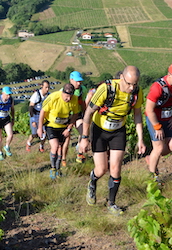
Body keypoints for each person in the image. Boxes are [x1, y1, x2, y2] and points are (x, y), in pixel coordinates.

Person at [79, 65, 146, 215]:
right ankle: (93, 181)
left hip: (118, 131)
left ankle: (111, 203)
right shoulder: (106, 89)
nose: (131, 88)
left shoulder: (136, 92)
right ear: (121, 77)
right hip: (99, 130)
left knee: (115, 168)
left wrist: (140, 139)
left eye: (135, 84)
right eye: (128, 83)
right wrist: (84, 138)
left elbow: (137, 115)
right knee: (102, 169)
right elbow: (88, 113)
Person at [144, 62, 172, 182]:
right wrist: (157, 127)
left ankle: (151, 158)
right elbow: (148, 110)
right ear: (170, 75)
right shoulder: (157, 87)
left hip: (168, 118)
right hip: (155, 118)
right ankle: (154, 177)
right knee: (158, 148)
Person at [38, 83, 81, 180]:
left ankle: (58, 169)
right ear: (62, 93)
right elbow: (42, 112)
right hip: (51, 125)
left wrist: (69, 128)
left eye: (70, 96)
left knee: (60, 148)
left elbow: (75, 114)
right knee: (55, 146)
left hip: (63, 126)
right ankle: (53, 169)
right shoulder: (53, 97)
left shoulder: (74, 99)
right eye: (66, 96)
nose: (68, 99)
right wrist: (40, 127)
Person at [61, 71, 89, 165]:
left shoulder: (83, 89)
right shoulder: (63, 90)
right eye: (77, 81)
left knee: (83, 132)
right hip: (66, 115)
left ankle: (80, 154)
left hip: (77, 114)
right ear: (71, 80)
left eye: (80, 81)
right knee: (66, 138)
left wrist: (86, 114)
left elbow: (84, 102)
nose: (79, 83)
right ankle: (63, 159)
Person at [0, 86, 15, 161]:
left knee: (10, 135)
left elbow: (12, 109)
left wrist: (13, 119)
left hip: (6, 119)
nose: (8, 96)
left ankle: (7, 147)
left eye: (9, 94)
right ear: (3, 93)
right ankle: (0, 153)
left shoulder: (11, 100)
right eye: (7, 94)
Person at [26, 80, 50, 153]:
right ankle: (28, 143)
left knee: (44, 133)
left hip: (44, 115)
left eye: (48, 87)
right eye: (46, 87)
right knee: (34, 134)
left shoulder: (49, 95)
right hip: (35, 114)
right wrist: (33, 120)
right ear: (42, 86)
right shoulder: (36, 95)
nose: (47, 89)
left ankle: (41, 146)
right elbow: (31, 107)